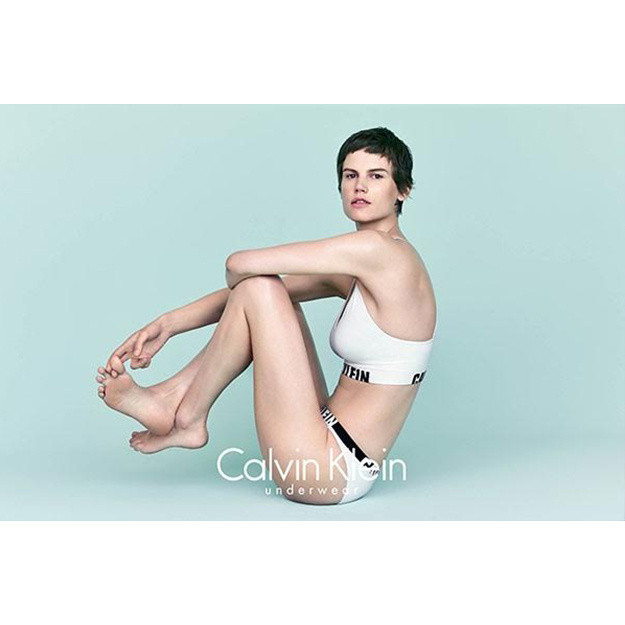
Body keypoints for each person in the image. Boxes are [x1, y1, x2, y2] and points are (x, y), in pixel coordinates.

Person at [94, 127, 437, 505]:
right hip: (324, 433)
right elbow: (258, 295)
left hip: (329, 469)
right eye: (350, 175)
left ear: (402, 190)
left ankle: (186, 414)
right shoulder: (373, 264)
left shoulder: (378, 251)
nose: (360, 186)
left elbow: (239, 266)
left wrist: (237, 281)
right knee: (269, 294)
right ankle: (174, 399)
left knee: (259, 287)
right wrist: (169, 324)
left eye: (376, 176)